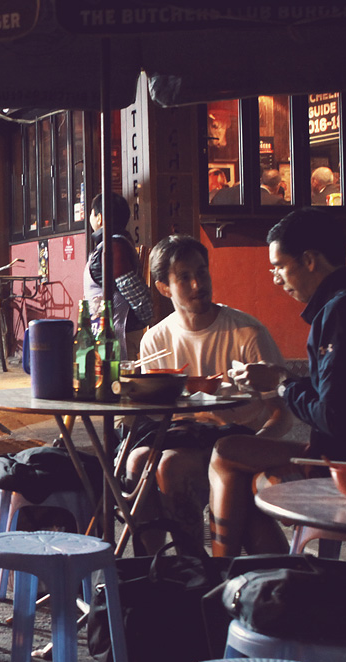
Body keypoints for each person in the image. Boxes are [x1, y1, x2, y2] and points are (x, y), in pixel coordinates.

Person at [209, 208, 346, 556]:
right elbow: (341, 396)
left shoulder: (340, 311)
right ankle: (269, 575)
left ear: (309, 260)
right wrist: (288, 381)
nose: (276, 278)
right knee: (241, 469)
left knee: (226, 454)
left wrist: (282, 382)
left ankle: (227, 575)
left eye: (279, 266)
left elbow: (335, 418)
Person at [124, 235, 290, 550]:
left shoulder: (247, 333)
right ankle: (149, 565)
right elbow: (149, 413)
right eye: (184, 277)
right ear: (164, 287)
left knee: (170, 465)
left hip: (233, 441)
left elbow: (282, 414)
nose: (198, 283)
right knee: (136, 461)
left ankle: (193, 562)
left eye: (202, 272)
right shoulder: (155, 341)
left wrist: (250, 447)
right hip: (178, 435)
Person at [85, 192, 153, 358]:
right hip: (107, 331)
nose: (90, 218)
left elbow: (132, 288)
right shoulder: (111, 244)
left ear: (99, 217)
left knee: (120, 382)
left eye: (91, 213)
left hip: (118, 334)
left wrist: (146, 319)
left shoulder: (113, 246)